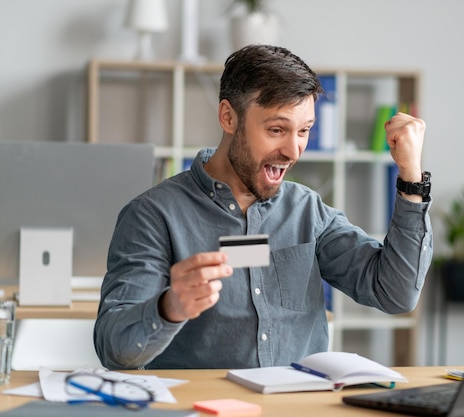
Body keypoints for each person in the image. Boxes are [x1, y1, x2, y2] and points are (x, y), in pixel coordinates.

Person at [94, 44, 433, 370]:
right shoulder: (153, 216)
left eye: (304, 131)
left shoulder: (307, 211)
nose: (293, 150)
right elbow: (114, 348)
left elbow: (396, 294)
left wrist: (411, 179)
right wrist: (169, 307)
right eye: (276, 129)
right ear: (228, 117)